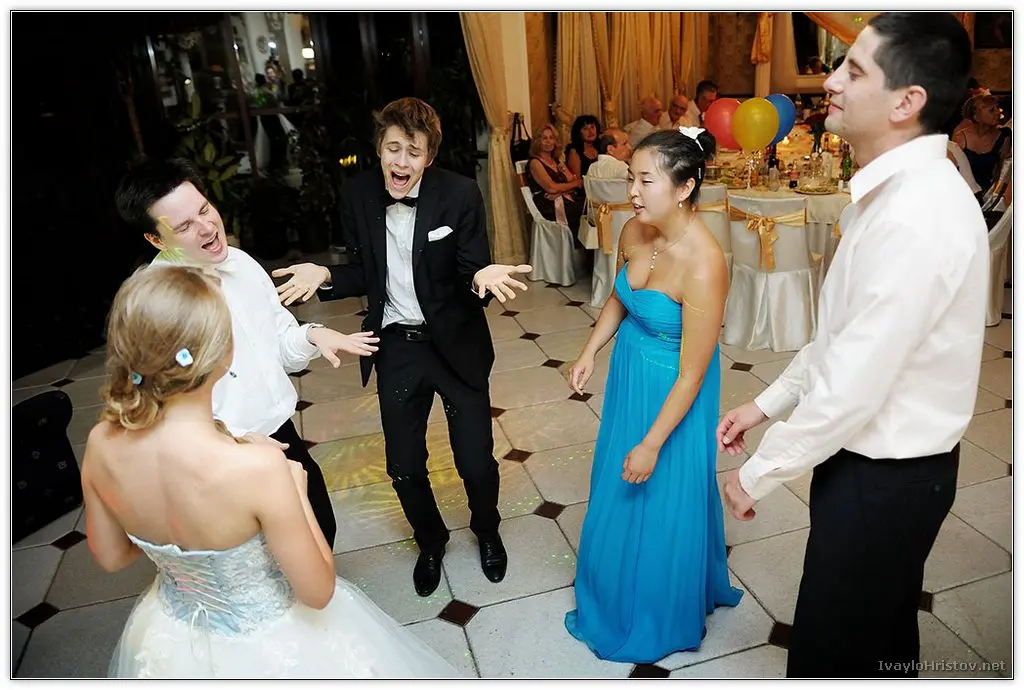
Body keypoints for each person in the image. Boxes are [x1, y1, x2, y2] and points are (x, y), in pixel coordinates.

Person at [718, 12, 987, 678]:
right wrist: (767, 405)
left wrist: (757, 474)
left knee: (833, 656)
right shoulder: (889, 195)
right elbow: (841, 338)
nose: (830, 81)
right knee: (882, 640)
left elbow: (852, 387)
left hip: (888, 476)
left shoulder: (917, 214)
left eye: (854, 70)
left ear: (906, 101)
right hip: (873, 466)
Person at [85, 265, 459, 678]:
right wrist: (296, 490)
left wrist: (176, 553)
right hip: (272, 649)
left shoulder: (101, 441)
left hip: (170, 640)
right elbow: (318, 593)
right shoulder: (258, 468)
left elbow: (113, 556)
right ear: (223, 354)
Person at [269, 97, 533, 598]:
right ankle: (430, 540)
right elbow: (362, 272)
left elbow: (470, 267)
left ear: (429, 156)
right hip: (397, 346)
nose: (402, 161)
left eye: (414, 152)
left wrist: (480, 277)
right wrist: (325, 274)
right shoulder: (357, 194)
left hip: (455, 343)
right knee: (404, 466)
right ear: (379, 148)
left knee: (475, 460)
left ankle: (487, 530)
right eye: (394, 148)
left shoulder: (459, 193)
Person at [115, 158, 376, 551]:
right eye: (184, 227)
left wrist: (313, 336)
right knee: (267, 559)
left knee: (320, 528)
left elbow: (278, 344)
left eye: (205, 210)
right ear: (156, 240)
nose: (207, 228)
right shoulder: (153, 308)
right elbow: (158, 415)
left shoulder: (241, 264)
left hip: (278, 432)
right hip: (220, 459)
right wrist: (233, 444)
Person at [564, 127, 742, 663]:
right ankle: (613, 581)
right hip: (630, 373)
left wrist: (652, 442)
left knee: (660, 488)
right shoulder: (633, 230)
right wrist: (590, 350)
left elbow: (693, 374)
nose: (633, 191)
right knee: (616, 479)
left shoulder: (705, 261)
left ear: (684, 187)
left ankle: (659, 606)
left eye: (645, 180)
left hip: (674, 389)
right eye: (630, 178)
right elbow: (622, 297)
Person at [526, 122, 586, 233]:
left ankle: (588, 242)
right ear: (538, 141)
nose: (548, 141)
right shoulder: (535, 162)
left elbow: (574, 181)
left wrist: (562, 188)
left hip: (563, 197)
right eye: (544, 138)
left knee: (590, 205)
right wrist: (573, 185)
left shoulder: (556, 160)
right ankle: (577, 243)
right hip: (548, 204)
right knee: (583, 211)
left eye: (551, 138)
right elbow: (551, 188)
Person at [953, 93, 1012, 192]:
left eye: (997, 108)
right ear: (976, 116)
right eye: (992, 110)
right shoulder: (960, 137)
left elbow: (1004, 172)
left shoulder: (1004, 137)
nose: (998, 112)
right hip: (961, 190)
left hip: (988, 194)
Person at [565, 114, 602, 179]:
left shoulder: (601, 146)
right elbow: (577, 179)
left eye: (592, 127)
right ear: (579, 133)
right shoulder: (574, 151)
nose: (590, 131)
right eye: (585, 129)